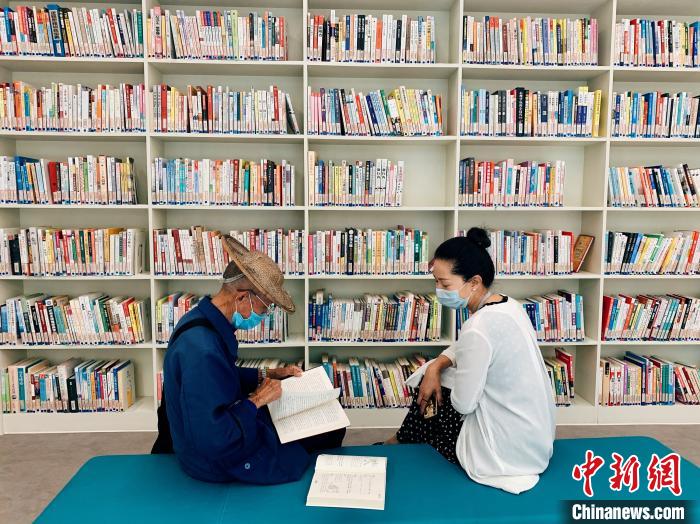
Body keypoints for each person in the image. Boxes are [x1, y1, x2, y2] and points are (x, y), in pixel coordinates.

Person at [151, 235, 345, 484]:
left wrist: (268, 374)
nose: (265, 316)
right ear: (242, 298)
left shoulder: (199, 320)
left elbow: (218, 378)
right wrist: (258, 399)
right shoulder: (202, 351)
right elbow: (215, 439)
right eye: (266, 308)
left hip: (217, 426)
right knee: (330, 429)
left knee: (323, 415)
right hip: (212, 458)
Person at [385, 227, 556, 494]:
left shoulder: (478, 327)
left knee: (434, 393)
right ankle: (400, 440)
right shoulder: (509, 306)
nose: (438, 290)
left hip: (502, 455)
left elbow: (463, 404)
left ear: (474, 282)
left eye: (445, 284)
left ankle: (400, 443)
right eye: (435, 282)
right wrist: (438, 364)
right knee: (434, 373)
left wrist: (435, 373)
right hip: (536, 442)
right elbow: (465, 347)